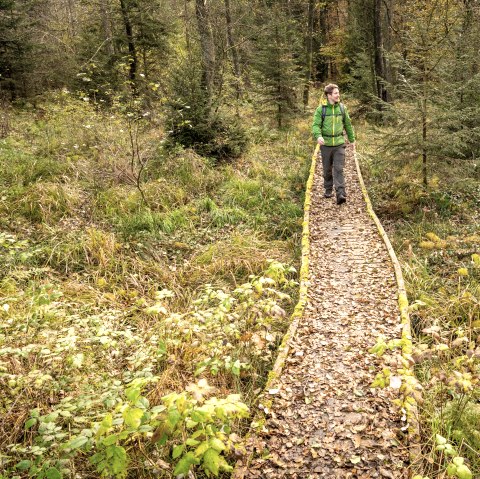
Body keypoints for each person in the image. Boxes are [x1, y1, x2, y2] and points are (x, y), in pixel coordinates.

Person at [312, 84, 355, 205]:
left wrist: (352, 140)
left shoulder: (342, 108)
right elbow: (315, 125)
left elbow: (348, 124)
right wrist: (318, 136)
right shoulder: (321, 109)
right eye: (335, 93)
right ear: (329, 95)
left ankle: (340, 193)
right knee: (327, 169)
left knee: (339, 168)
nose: (338, 95)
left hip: (339, 143)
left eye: (338, 92)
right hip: (325, 144)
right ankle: (328, 188)